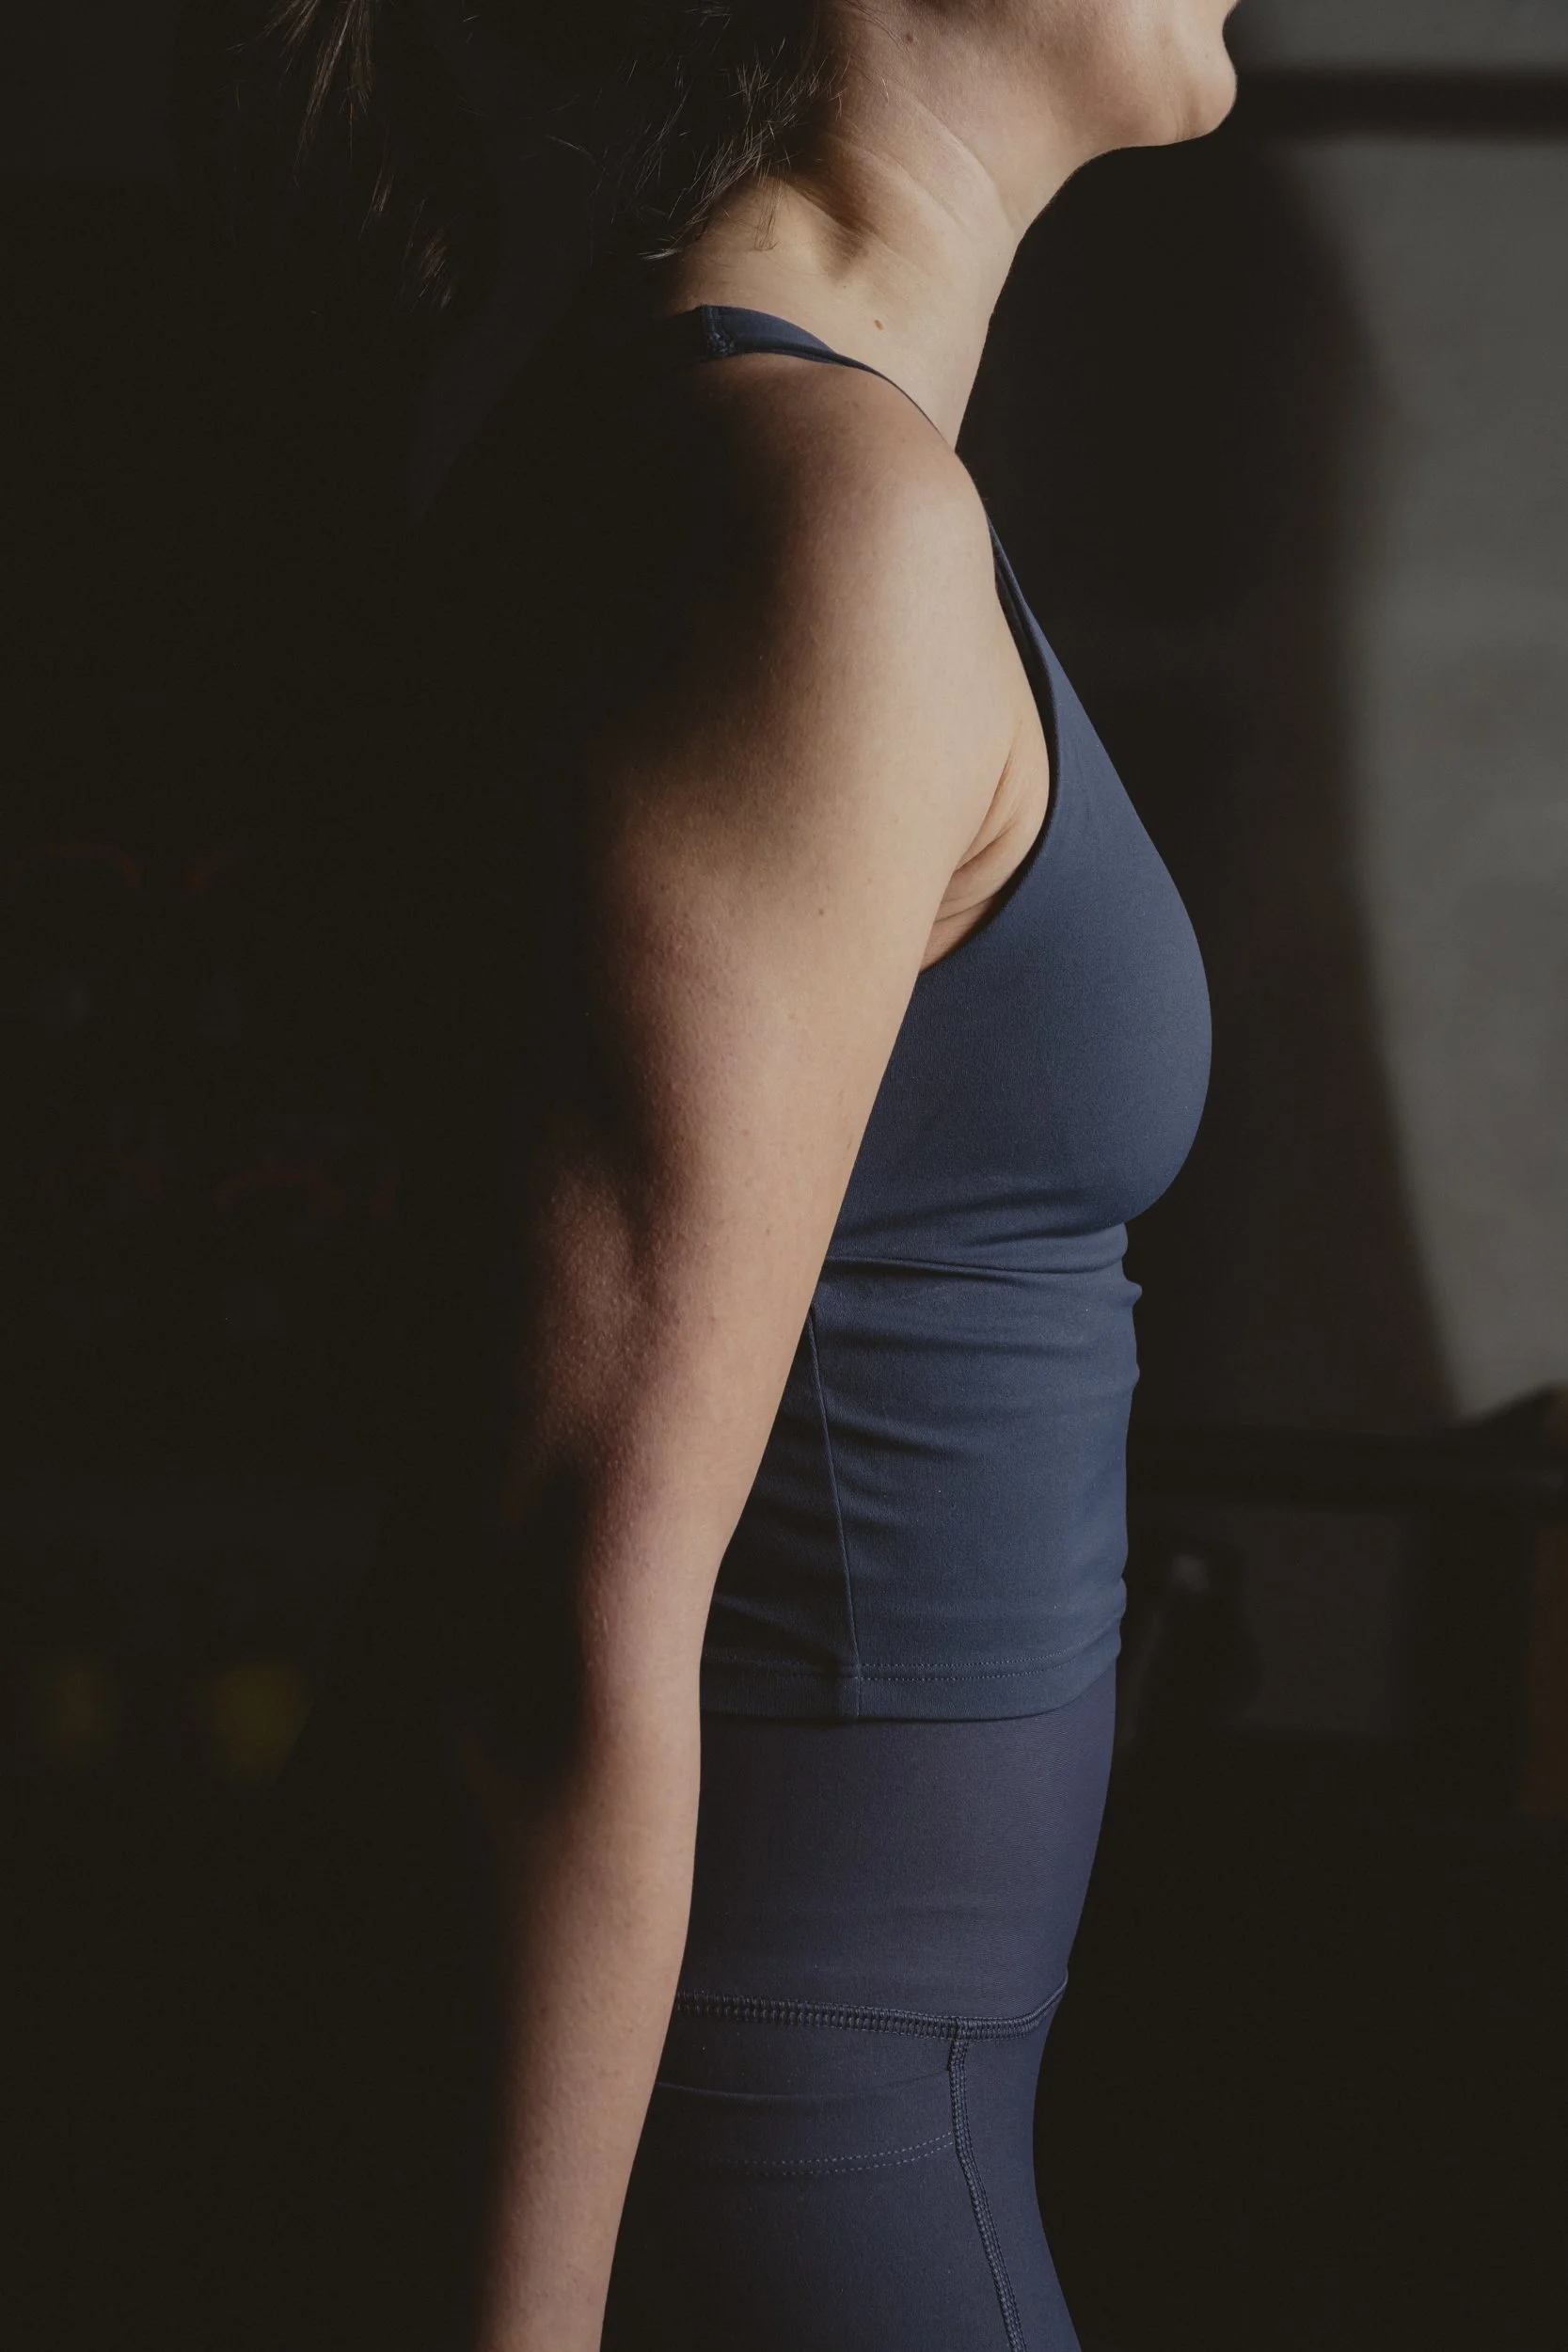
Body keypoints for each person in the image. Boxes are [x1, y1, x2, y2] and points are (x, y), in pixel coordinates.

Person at [230, 0, 1228, 2344]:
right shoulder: (815, 514)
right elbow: (556, 1599)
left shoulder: (790, 469)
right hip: (790, 2164)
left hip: (841, 2123)